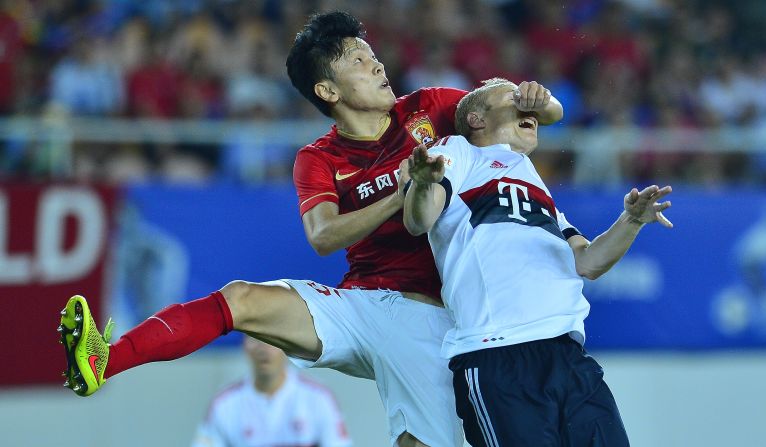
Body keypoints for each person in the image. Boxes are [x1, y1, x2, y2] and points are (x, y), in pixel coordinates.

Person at [57, 11, 562, 447]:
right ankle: (104, 362)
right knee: (241, 299)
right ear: (328, 89)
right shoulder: (317, 159)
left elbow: (520, 111)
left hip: (429, 320)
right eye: (360, 62)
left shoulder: (430, 107)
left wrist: (544, 103)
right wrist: (400, 191)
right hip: (358, 307)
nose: (378, 66)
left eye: (374, 56)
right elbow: (322, 237)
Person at [403, 78, 673, 446]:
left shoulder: (537, 189)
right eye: (511, 99)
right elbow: (419, 220)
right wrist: (421, 185)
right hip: (498, 355)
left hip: (568, 356)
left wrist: (632, 221)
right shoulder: (460, 152)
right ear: (477, 119)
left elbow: (589, 262)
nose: (526, 107)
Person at [191, 336, 351, 447]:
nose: (264, 348)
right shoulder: (224, 404)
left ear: (287, 346)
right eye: (255, 338)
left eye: (271, 339)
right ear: (244, 345)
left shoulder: (318, 398)